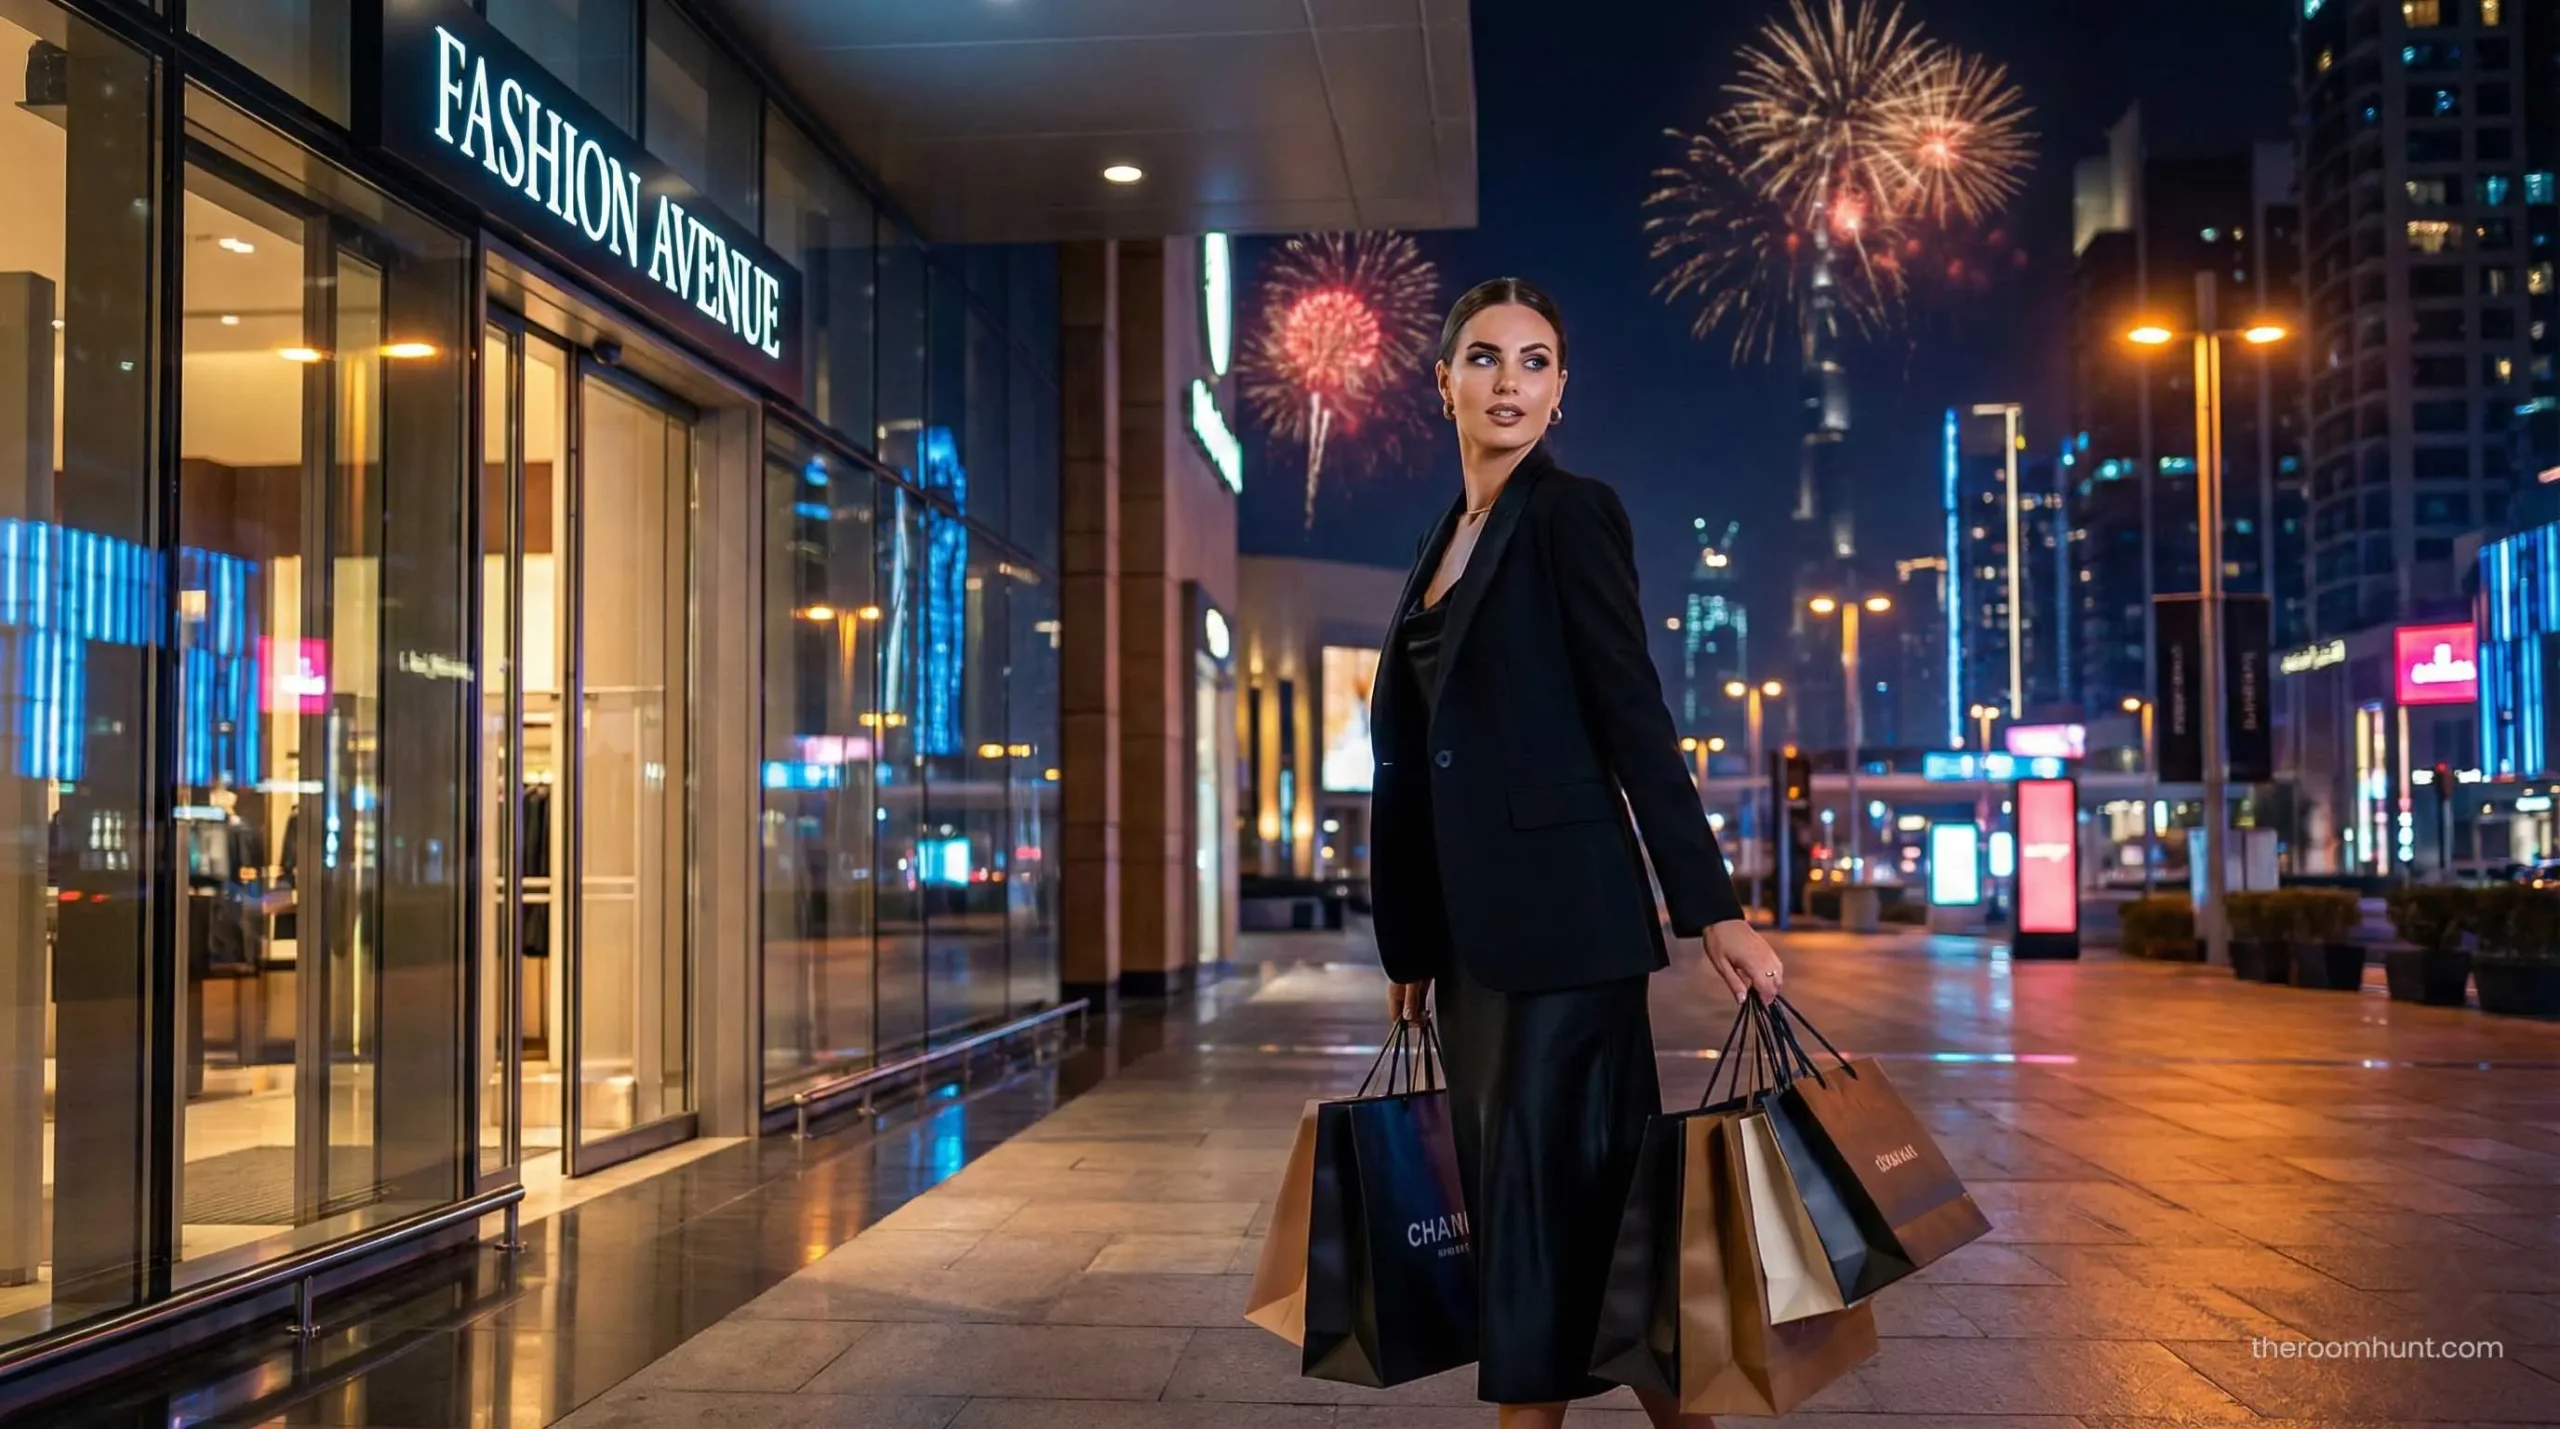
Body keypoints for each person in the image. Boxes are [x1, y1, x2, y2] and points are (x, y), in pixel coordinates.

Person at [1368, 277, 1785, 1429]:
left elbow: (1630, 716)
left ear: (1562, 391)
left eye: (1536, 361)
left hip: (1566, 930)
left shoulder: (1570, 512)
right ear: (1440, 380)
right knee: (1579, 1212)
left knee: (1548, 1205)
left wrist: (1714, 909)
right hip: (1470, 945)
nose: (1510, 381)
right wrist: (1410, 935)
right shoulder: (1437, 541)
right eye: (1486, 359)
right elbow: (1416, 759)